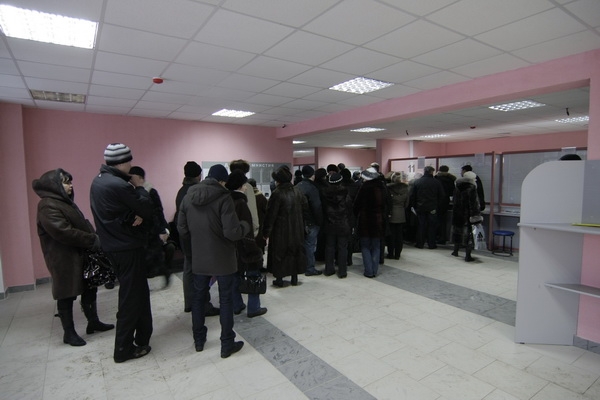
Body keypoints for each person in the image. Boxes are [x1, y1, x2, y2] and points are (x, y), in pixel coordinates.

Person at [33, 169, 114, 347]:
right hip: (63, 258)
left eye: (70, 182)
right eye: (66, 182)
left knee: (90, 287)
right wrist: (92, 239)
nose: (70, 186)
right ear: (54, 185)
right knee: (66, 294)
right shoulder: (47, 205)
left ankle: (93, 322)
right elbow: (63, 232)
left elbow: (80, 224)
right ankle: (69, 333)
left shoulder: (64, 202)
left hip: (80, 254)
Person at [90, 143, 154, 363]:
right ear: (122, 162)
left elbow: (117, 213)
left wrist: (134, 215)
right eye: (129, 161)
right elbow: (146, 209)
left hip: (113, 245)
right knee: (130, 299)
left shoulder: (98, 181)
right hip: (127, 247)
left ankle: (142, 338)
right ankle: (123, 349)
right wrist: (139, 188)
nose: (131, 164)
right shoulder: (119, 185)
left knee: (138, 293)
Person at [178, 164, 250, 358]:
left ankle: (199, 340)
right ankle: (227, 343)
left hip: (199, 257)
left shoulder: (188, 197)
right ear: (222, 181)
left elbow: (182, 229)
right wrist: (244, 226)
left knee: (198, 298)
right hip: (223, 258)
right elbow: (232, 232)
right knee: (226, 300)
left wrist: (195, 243)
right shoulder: (224, 198)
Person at [174, 162, 219, 316]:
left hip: (185, 238)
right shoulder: (198, 192)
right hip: (198, 239)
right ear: (199, 175)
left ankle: (190, 303)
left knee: (188, 270)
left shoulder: (181, 192)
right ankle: (203, 305)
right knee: (202, 273)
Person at [226, 170, 267, 318]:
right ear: (240, 185)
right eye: (244, 185)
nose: (245, 187)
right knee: (253, 275)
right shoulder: (242, 204)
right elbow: (246, 230)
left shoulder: (227, 202)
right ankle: (254, 307)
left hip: (231, 247)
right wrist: (253, 250)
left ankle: (237, 305)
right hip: (244, 247)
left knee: (235, 276)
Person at [263, 165, 308, 287]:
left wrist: (266, 232)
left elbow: (270, 215)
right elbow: (305, 208)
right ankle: (294, 278)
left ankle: (279, 279)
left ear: (278, 180)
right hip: (297, 229)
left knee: (280, 254)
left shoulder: (277, 193)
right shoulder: (297, 191)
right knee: (295, 252)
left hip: (281, 230)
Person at [128, 166, 173, 287]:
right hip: (141, 231)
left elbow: (159, 211)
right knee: (150, 257)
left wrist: (162, 230)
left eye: (132, 177)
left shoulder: (150, 191)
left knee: (154, 256)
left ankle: (164, 272)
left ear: (140, 178)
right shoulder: (132, 192)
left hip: (152, 230)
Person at [353, 167, 387, 278]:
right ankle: (374, 270)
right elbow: (387, 205)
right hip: (378, 220)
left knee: (365, 246)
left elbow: (356, 205)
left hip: (365, 221)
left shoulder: (364, 188)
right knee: (376, 247)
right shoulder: (382, 187)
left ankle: (368, 271)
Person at [322, 172, 352, 278]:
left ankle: (329, 269)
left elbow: (323, 209)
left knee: (329, 247)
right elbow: (349, 209)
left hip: (329, 223)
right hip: (343, 223)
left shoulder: (325, 194)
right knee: (342, 248)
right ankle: (342, 271)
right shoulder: (345, 194)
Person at [296, 165, 323, 276]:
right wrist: (320, 222)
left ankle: (300, 266)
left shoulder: (297, 186)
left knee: (301, 244)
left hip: (299, 220)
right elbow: (316, 207)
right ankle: (310, 268)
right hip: (311, 221)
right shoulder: (312, 188)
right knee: (310, 245)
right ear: (313, 175)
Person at [410, 166, 445, 249]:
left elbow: (412, 195)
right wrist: (437, 205)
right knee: (432, 226)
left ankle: (420, 243)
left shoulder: (417, 182)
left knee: (421, 225)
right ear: (432, 172)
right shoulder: (436, 182)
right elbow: (442, 195)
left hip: (420, 207)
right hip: (432, 207)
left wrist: (414, 206)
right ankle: (431, 244)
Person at [451, 171, 482, 262]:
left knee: (457, 233)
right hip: (467, 216)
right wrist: (476, 217)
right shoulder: (471, 188)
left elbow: (454, 201)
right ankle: (468, 256)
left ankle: (455, 251)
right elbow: (474, 204)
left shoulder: (457, 187)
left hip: (457, 214)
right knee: (469, 236)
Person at [386, 172, 409, 259]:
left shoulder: (388, 188)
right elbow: (407, 203)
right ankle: (398, 254)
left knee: (391, 235)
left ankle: (391, 253)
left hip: (391, 213)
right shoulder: (406, 189)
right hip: (401, 213)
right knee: (399, 235)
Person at [435, 165, 457, 244]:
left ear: (439, 170)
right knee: (443, 221)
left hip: (437, 201)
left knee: (435, 220)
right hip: (445, 202)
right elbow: (452, 191)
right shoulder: (451, 179)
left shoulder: (437, 179)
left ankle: (436, 237)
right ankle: (443, 237)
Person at [247, 178, 268, 254]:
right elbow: (267, 212)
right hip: (260, 228)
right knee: (260, 250)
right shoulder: (261, 197)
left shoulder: (247, 198)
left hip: (249, 228)